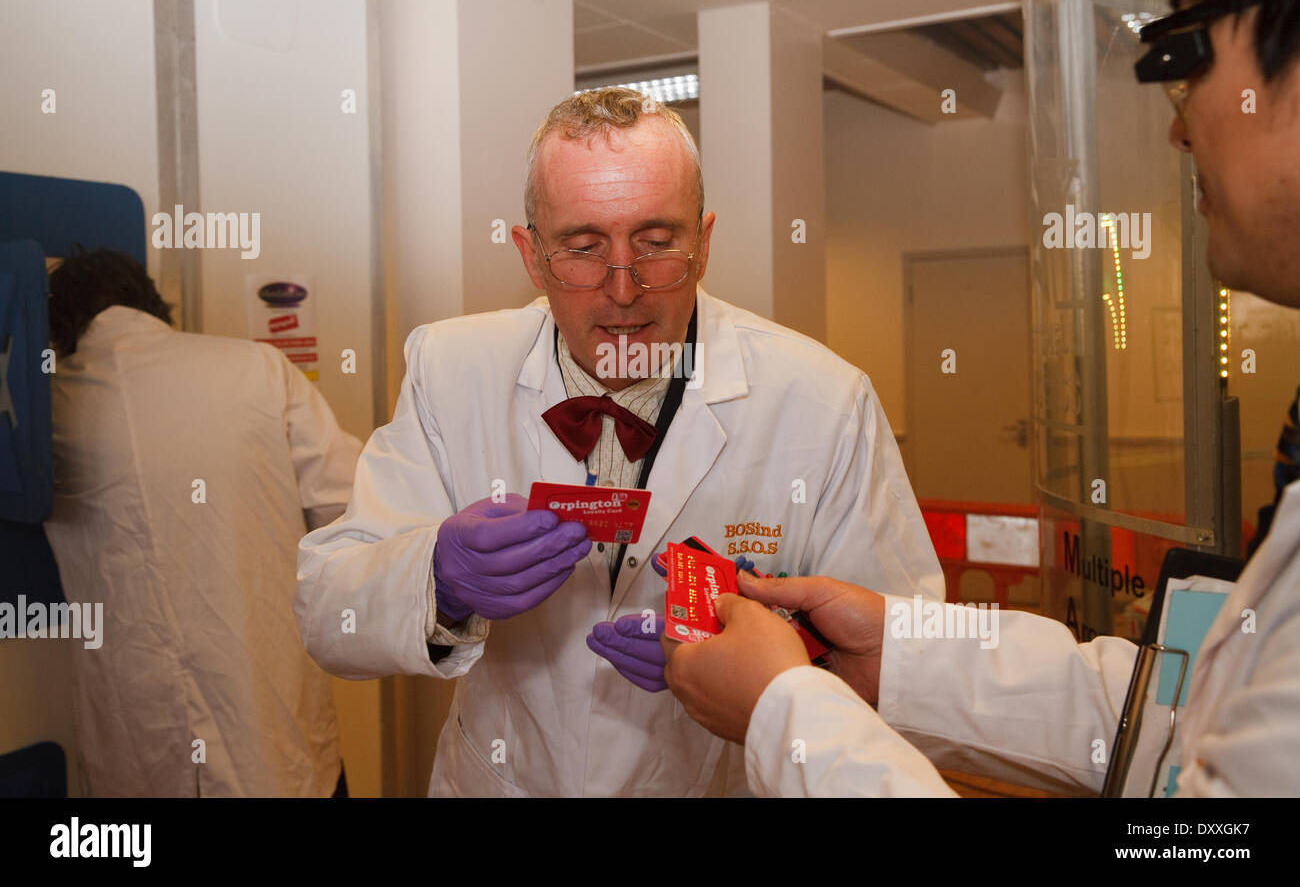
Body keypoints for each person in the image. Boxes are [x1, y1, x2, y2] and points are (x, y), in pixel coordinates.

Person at [661, 0, 1300, 798]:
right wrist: (902, 660)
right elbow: (1176, 721)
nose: (1181, 127)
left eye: (1187, 62)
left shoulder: (827, 391)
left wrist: (785, 711)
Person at [295, 88, 944, 796]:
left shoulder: (822, 399)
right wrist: (437, 581)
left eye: (657, 243)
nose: (624, 289)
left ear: (703, 242)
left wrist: (787, 660)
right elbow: (332, 613)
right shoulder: (450, 369)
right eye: (582, 247)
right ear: (530, 254)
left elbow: (908, 656)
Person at [43, 249, 361, 796]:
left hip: (142, 751)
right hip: (276, 744)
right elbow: (351, 506)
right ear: (150, 302)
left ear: (60, 328)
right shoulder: (257, 367)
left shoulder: (52, 407)